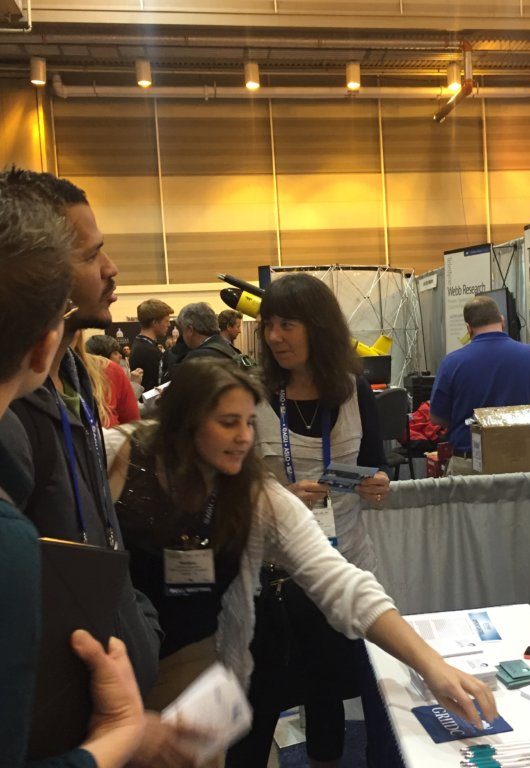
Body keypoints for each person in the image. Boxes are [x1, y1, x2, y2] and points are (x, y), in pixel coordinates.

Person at [107, 358, 497, 767]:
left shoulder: (254, 492)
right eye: (228, 422)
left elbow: (341, 581)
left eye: (248, 423)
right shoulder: (116, 453)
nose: (243, 437)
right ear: (185, 422)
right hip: (110, 653)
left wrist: (431, 665)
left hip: (191, 660)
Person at [0, 168, 196, 768]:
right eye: (91, 254)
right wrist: (112, 739)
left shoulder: (77, 386)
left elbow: (93, 543)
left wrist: (141, 629)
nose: (111, 269)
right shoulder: (14, 421)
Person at [227, 273, 391, 767]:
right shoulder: (251, 394)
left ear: (318, 328)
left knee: (328, 694)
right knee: (257, 704)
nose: (274, 336)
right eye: (269, 325)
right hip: (270, 580)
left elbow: (375, 461)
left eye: (287, 324)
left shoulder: (354, 389)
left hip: (341, 567)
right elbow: (227, 483)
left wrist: (378, 482)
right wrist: (279, 495)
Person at [430, 295, 530, 475]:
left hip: (471, 466)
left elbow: (437, 418)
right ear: (502, 320)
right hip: (526, 464)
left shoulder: (452, 363)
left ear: (468, 329)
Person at [130, 299, 174, 390]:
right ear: (155, 322)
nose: (169, 324)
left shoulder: (141, 344)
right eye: (166, 321)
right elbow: (154, 388)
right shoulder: (147, 350)